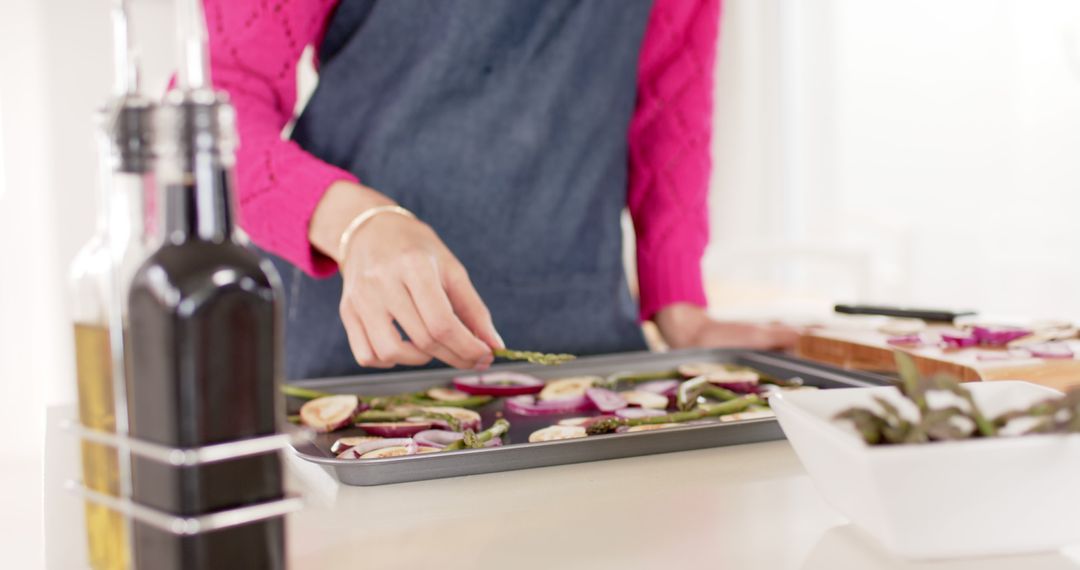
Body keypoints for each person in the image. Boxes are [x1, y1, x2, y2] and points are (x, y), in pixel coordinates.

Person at [204, 0, 797, 380]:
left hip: (589, 349)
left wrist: (681, 309)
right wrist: (358, 223)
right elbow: (211, 113)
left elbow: (670, 107)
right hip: (350, 350)